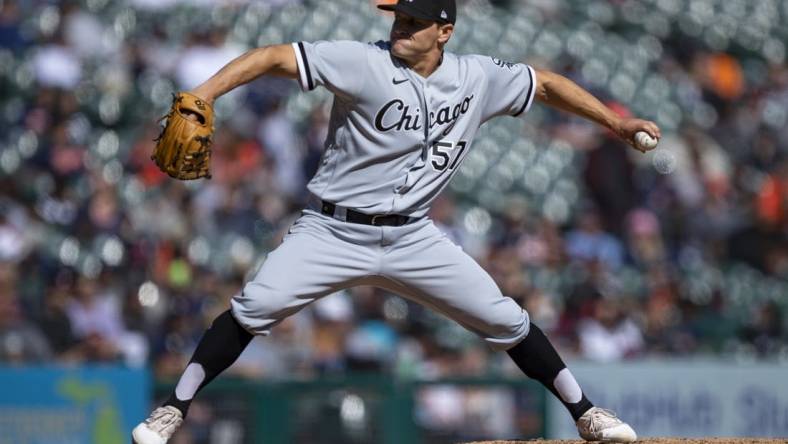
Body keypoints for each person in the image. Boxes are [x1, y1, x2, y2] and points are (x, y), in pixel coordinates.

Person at [132, 0, 660, 442]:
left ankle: (586, 414)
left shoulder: (475, 76)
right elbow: (273, 57)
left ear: (444, 31)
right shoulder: (361, 61)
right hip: (331, 230)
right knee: (255, 307)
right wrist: (204, 92)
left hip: (413, 235)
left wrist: (615, 122)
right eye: (398, 18)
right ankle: (173, 409)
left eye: (413, 22)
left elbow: (543, 85)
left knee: (505, 319)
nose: (399, 27)